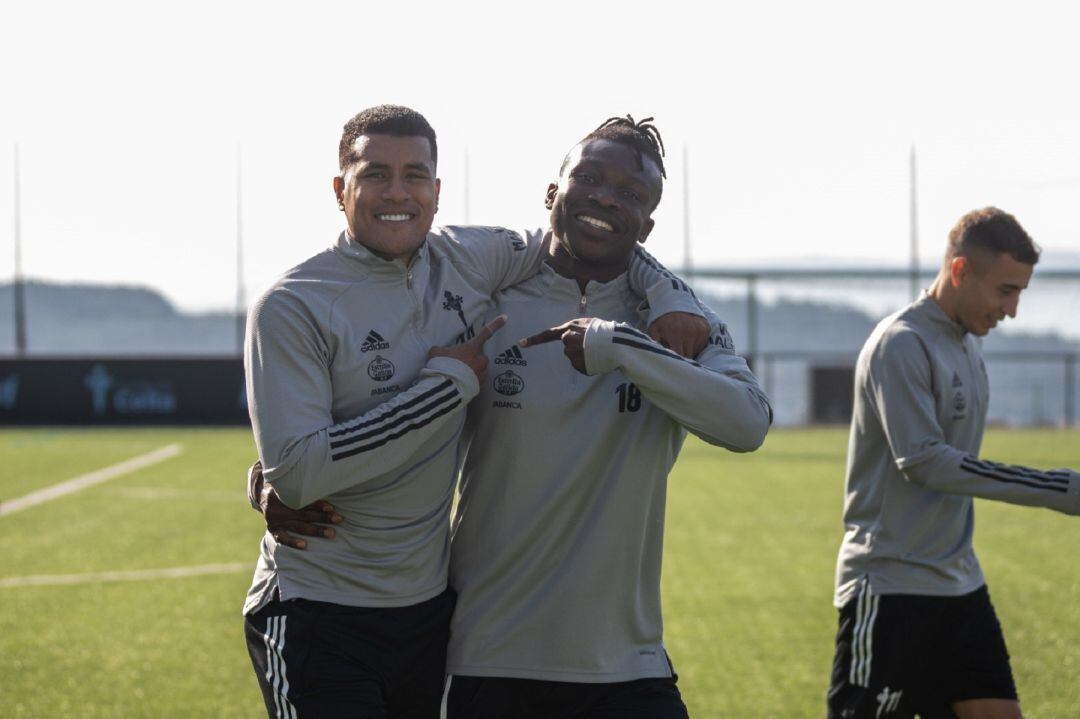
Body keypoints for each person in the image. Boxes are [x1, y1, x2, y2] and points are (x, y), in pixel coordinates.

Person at [261, 115, 772, 718]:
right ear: (552, 193)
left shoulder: (679, 325)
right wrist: (272, 477)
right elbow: (373, 386)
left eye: (631, 193)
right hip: (483, 656)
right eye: (590, 178)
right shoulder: (482, 299)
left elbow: (747, 424)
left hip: (628, 662)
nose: (607, 198)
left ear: (648, 226)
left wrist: (625, 344)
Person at [826, 207, 1080, 719]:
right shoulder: (901, 344)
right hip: (892, 584)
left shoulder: (966, 345)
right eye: (1005, 291)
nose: (1011, 310)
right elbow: (925, 462)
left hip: (960, 583)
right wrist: (1063, 488)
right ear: (960, 270)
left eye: (1020, 293)